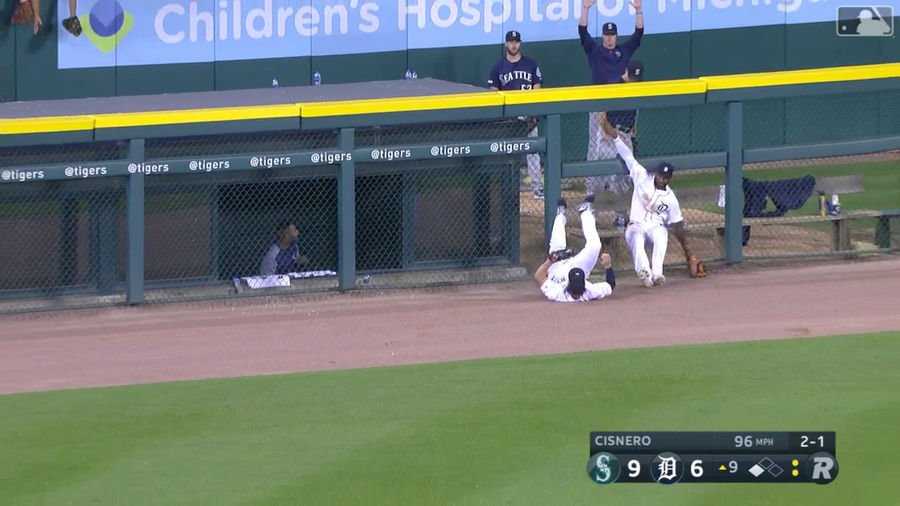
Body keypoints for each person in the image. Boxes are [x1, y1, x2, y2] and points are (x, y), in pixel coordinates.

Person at [600, 113, 700, 287]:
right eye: (659, 174)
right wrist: (613, 134)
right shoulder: (641, 175)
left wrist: (689, 253)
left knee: (662, 234)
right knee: (637, 240)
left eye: (664, 177)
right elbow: (627, 155)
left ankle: (657, 273)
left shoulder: (670, 198)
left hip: (655, 226)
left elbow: (677, 225)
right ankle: (645, 274)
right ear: (656, 172)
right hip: (636, 225)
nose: (660, 178)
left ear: (669, 179)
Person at [579, 0, 643, 195]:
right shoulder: (595, 51)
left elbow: (638, 35)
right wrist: (586, 9)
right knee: (595, 150)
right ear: (603, 36)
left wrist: (639, 11)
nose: (609, 38)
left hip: (621, 108)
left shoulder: (623, 51)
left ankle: (616, 197)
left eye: (612, 34)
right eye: (606, 35)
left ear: (616, 35)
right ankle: (591, 192)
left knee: (622, 154)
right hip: (599, 105)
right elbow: (582, 32)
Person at [488, 30, 545, 199]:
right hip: (509, 120)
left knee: (533, 152)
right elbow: (493, 93)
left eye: (516, 41)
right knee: (506, 154)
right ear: (506, 44)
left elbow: (537, 89)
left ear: (520, 43)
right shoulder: (498, 67)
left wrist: (534, 114)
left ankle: (537, 187)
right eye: (511, 42)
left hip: (528, 115)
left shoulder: (531, 64)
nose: (514, 44)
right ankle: (505, 189)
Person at [534, 196, 616, 302]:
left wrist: (550, 261)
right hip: (580, 267)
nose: (576, 296)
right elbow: (610, 285)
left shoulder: (557, 293)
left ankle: (560, 214)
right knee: (595, 246)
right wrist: (608, 266)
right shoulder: (590, 291)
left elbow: (538, 276)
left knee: (557, 246)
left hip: (557, 271)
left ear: (568, 287)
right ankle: (585, 212)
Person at [589, 60, 645, 197]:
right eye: (631, 77)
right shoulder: (614, 85)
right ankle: (591, 207)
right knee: (601, 173)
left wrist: (633, 128)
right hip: (610, 132)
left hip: (625, 134)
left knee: (624, 175)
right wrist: (605, 132)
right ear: (626, 71)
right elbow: (602, 113)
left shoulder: (637, 87)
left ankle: (620, 215)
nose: (633, 80)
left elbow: (635, 109)